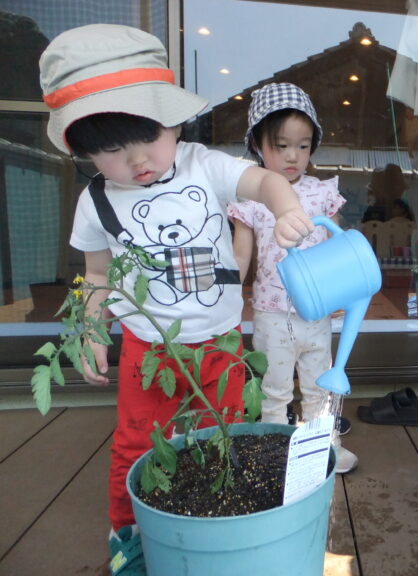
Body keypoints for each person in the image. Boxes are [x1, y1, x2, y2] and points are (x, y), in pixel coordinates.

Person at [38, 25, 313, 575]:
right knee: (138, 441)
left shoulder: (202, 165)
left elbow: (263, 182)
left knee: (227, 430)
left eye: (149, 137)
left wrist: (285, 208)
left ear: (174, 121)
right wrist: (91, 328)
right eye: (111, 150)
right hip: (149, 348)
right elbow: (96, 274)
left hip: (222, 343)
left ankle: (220, 519)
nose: (137, 159)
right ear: (83, 150)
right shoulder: (96, 201)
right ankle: (129, 532)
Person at [228, 83, 358, 474]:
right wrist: (225, 297)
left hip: (316, 310)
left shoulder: (321, 193)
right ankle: (274, 449)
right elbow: (241, 255)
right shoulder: (251, 199)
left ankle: (324, 448)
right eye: (281, 145)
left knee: (320, 384)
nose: (292, 156)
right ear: (257, 144)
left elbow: (336, 249)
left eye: (303, 146)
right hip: (272, 312)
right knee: (275, 388)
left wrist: (342, 291)